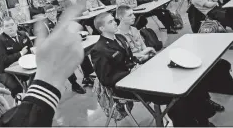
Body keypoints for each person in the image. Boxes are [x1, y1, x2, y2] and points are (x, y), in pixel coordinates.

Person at [90, 12, 218, 127]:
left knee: (185, 81)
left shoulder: (119, 38)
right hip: (124, 87)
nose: (115, 23)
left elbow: (128, 59)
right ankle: (187, 124)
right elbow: (106, 79)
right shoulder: (99, 50)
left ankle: (202, 119)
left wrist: (140, 59)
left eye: (114, 20)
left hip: (138, 75)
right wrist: (130, 73)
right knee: (175, 94)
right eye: (110, 22)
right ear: (102, 28)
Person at [43, 5, 92, 91]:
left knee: (82, 52)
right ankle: (74, 83)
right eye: (49, 12)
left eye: (53, 11)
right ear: (46, 14)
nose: (52, 13)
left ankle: (87, 76)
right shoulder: (45, 26)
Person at [0, 17, 33, 98]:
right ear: (2, 28)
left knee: (38, 81)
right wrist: (21, 53)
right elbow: (4, 60)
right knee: (18, 89)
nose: (10, 27)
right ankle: (20, 105)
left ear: (16, 25)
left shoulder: (23, 34)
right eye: (7, 26)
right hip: (5, 71)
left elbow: (31, 49)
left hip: (23, 67)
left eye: (12, 24)